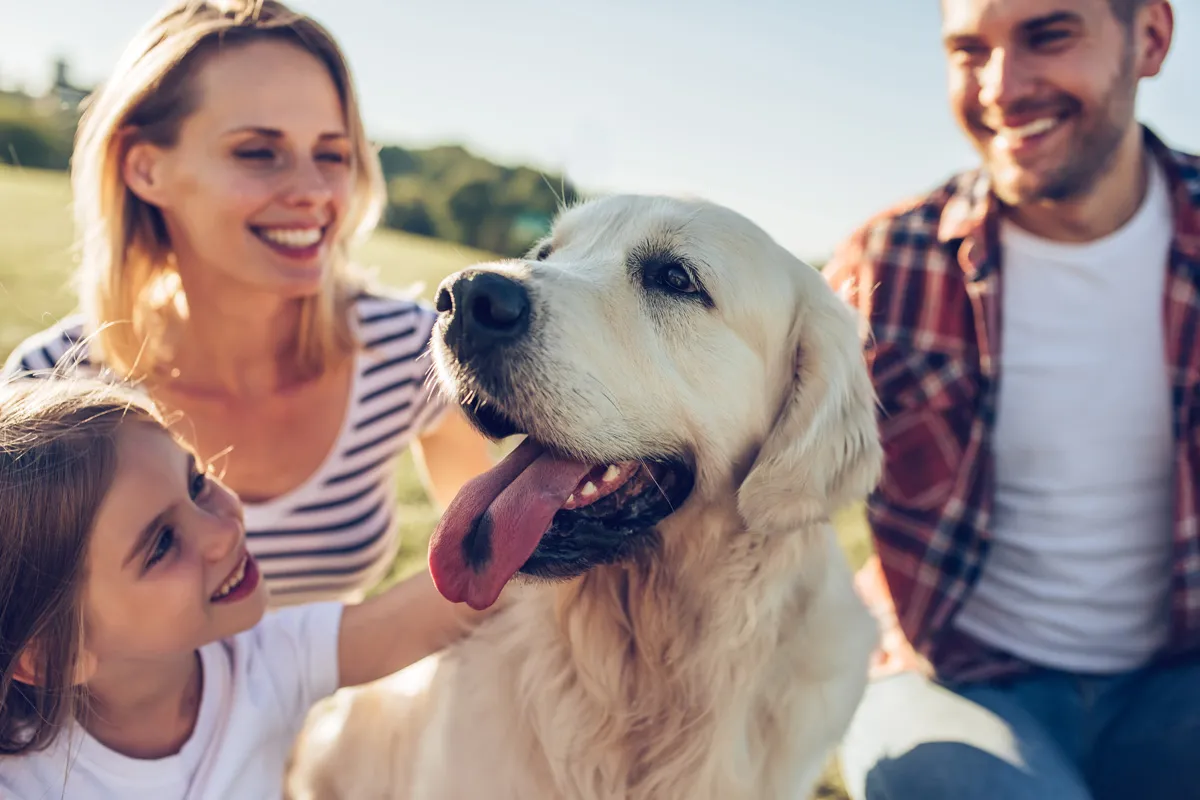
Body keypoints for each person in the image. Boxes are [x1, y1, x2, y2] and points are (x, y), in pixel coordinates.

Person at [1, 0, 496, 606]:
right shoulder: (50, 387)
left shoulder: (412, 351)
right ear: (145, 168)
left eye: (333, 155)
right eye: (258, 152)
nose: (314, 192)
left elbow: (487, 576)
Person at [824, 1, 1200, 798]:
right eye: (969, 51)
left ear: (1152, 39)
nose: (1002, 86)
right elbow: (741, 479)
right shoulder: (888, 263)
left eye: (1048, 34)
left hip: (1176, 683)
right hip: (949, 679)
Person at [0, 377, 495, 798]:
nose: (226, 530)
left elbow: (431, 612)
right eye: (161, 545)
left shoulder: (264, 662)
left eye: (195, 483)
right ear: (51, 658)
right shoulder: (22, 781)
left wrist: (538, 512)